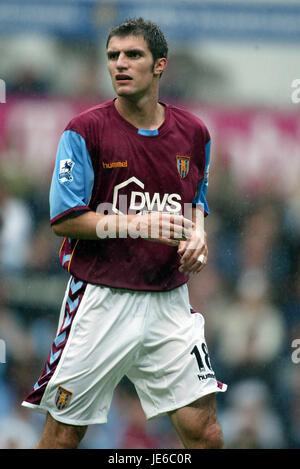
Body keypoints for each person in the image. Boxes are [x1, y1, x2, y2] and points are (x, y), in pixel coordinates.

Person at [22, 17, 226, 449]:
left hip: (170, 301)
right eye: (113, 55)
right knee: (62, 434)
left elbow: (197, 201)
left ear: (160, 66)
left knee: (204, 431)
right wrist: (138, 225)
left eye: (133, 55)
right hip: (101, 300)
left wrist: (199, 237)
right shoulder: (85, 130)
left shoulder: (194, 133)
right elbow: (63, 219)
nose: (120, 64)